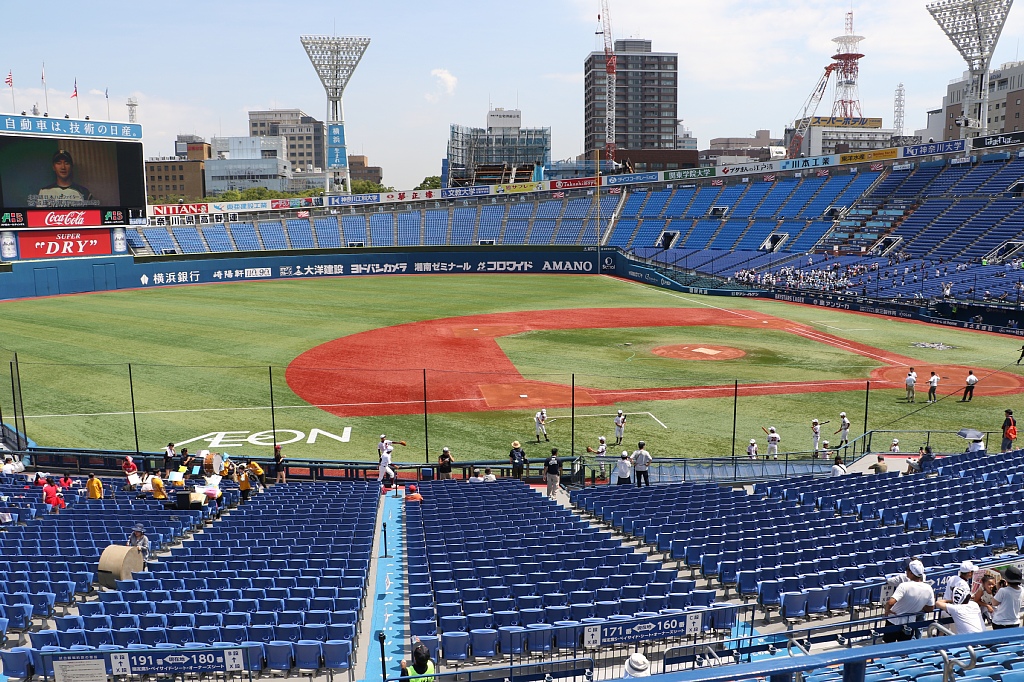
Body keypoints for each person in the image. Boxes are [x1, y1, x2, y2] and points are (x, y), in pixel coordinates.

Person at [883, 559, 934, 642]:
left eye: (907, 569)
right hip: (910, 622)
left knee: (888, 645)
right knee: (904, 646)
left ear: (911, 572)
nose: (906, 571)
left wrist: (887, 610)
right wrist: (918, 604)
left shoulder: (904, 586)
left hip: (894, 620)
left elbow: (890, 602)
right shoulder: (928, 588)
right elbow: (930, 608)